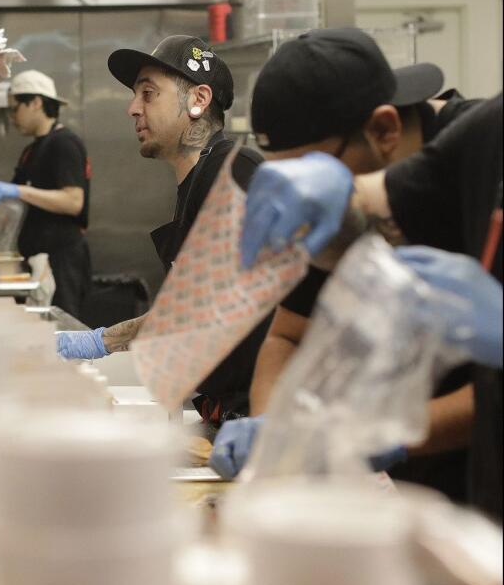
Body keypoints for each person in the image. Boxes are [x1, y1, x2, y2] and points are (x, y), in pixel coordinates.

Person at [211, 29, 478, 502]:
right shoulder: (331, 204)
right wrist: (277, 435)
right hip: (410, 491)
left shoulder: (484, 166)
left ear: (384, 130)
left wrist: (371, 437)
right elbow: (287, 335)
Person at [58, 36, 264, 424]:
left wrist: (99, 341)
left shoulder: (234, 173)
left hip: (258, 418)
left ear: (198, 100)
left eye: (148, 94)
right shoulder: (198, 180)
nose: (132, 108)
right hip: (226, 410)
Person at [0, 70, 91, 319]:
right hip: (36, 261)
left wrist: (19, 190)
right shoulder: (31, 151)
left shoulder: (64, 144)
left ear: (36, 103)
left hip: (61, 261)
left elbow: (74, 202)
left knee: (62, 330)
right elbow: (8, 205)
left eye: (15, 108)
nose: (12, 117)